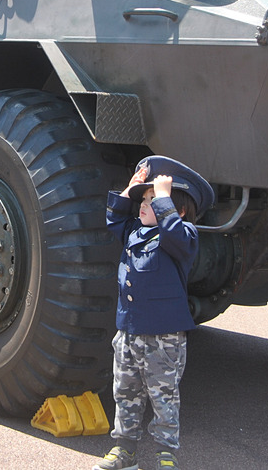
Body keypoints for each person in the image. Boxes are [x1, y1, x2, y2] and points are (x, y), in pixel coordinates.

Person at [93, 156, 214, 470]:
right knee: (125, 392)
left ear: (179, 209)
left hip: (164, 337)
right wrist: (130, 190)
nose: (144, 205)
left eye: (152, 200)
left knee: (164, 398)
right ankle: (124, 450)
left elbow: (176, 234)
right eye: (144, 200)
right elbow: (115, 220)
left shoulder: (181, 237)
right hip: (129, 331)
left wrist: (163, 199)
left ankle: (165, 454)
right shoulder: (135, 232)